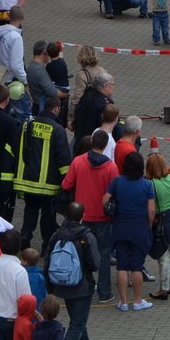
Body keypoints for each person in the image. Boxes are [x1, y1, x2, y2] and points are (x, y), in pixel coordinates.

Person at [61, 130, 118, 304]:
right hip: (102, 217)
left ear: (92, 141)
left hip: (81, 217)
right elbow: (115, 192)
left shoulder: (78, 162)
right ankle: (104, 292)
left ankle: (84, 288)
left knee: (80, 253)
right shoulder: (111, 167)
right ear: (106, 145)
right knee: (104, 254)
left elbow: (66, 184)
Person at [43, 201, 100, 340]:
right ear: (83, 216)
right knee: (76, 325)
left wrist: (49, 287)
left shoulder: (56, 235)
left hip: (62, 286)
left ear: (65, 215)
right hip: (82, 287)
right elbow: (95, 263)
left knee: (77, 321)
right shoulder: (86, 236)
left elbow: (47, 260)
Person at [14, 96, 71, 255]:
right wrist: (67, 183)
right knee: (48, 216)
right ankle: (47, 246)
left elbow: (16, 148)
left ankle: (25, 236)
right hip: (48, 184)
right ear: (56, 109)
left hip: (26, 181)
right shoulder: (57, 129)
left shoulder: (27, 125)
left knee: (30, 211)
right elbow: (63, 160)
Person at [105, 152, 156, 312]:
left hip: (120, 227)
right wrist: (148, 225)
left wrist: (112, 212)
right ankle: (138, 300)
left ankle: (123, 302)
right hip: (139, 229)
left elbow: (104, 200)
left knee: (121, 266)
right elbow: (151, 210)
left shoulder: (117, 182)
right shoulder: (147, 185)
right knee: (136, 266)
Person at [145, 153, 170, 301]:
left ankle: (163, 289)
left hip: (162, 221)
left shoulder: (151, 184)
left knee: (163, 256)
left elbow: (152, 207)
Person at [67, 46, 107, 132]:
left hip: (87, 113)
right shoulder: (103, 71)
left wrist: (70, 117)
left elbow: (76, 97)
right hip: (102, 110)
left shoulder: (82, 74)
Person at [72, 73, 115, 149]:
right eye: (112, 84)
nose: (114, 87)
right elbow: (108, 124)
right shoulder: (105, 104)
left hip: (81, 143)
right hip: (95, 146)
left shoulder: (86, 97)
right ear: (105, 86)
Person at [27, 40, 67, 115]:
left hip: (36, 104)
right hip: (43, 108)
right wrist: (65, 94)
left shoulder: (31, 67)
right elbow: (53, 92)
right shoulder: (39, 71)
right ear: (45, 53)